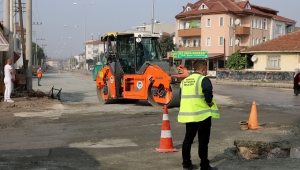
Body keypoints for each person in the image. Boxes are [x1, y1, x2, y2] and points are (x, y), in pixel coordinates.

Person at [178, 61, 220, 170]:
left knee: (188, 140)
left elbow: (181, 96)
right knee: (203, 141)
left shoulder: (184, 81)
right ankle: (204, 166)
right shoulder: (203, 79)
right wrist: (209, 102)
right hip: (203, 116)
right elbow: (208, 94)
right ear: (202, 70)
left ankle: (186, 164)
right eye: (205, 70)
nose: (206, 72)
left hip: (189, 115)